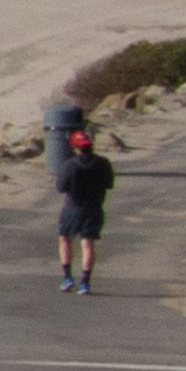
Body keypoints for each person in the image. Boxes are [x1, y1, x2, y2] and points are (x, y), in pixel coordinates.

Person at [57, 118, 115, 293]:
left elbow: (61, 187)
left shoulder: (69, 165)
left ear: (75, 147)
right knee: (87, 244)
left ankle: (67, 278)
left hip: (72, 207)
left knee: (65, 239)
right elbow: (109, 184)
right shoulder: (103, 163)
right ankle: (85, 281)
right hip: (94, 207)